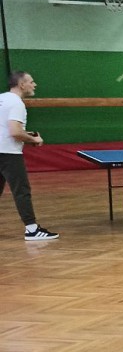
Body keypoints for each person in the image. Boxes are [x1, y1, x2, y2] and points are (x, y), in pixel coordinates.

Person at [0, 71, 58, 241]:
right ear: (21, 84)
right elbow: (15, 132)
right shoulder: (17, 104)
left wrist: (27, 135)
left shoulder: (2, 99)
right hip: (8, 154)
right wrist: (34, 139)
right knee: (21, 191)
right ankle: (32, 230)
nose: (34, 85)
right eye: (31, 82)